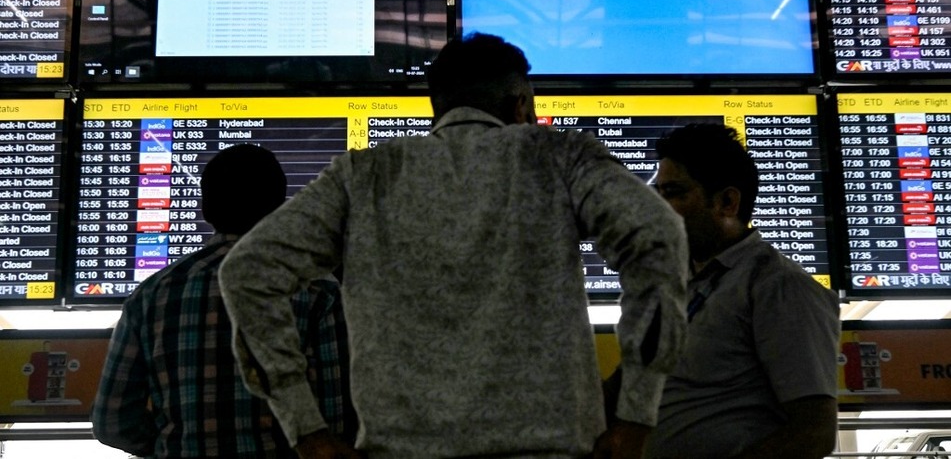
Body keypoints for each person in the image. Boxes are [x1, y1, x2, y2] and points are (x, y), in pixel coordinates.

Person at [219, 33, 689, 458]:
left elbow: (249, 271)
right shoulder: (559, 157)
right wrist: (636, 413)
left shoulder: (363, 177)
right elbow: (658, 236)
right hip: (551, 447)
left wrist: (306, 429)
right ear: (522, 104)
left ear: (435, 108)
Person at [92, 143, 354, 458]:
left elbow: (112, 422)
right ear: (281, 211)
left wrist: (169, 444)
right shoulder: (320, 292)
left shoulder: (151, 296)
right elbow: (340, 414)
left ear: (206, 209)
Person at [642, 123, 840, 459]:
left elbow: (813, 432)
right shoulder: (680, 285)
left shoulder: (778, 286)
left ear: (727, 202)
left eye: (674, 193)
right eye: (656, 193)